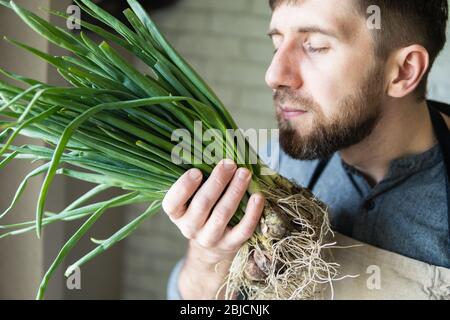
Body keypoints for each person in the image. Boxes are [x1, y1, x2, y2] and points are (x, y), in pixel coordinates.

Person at [164, 0, 450, 299]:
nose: (273, 75)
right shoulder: (274, 166)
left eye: (314, 46)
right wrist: (207, 258)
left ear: (403, 71)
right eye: (277, 44)